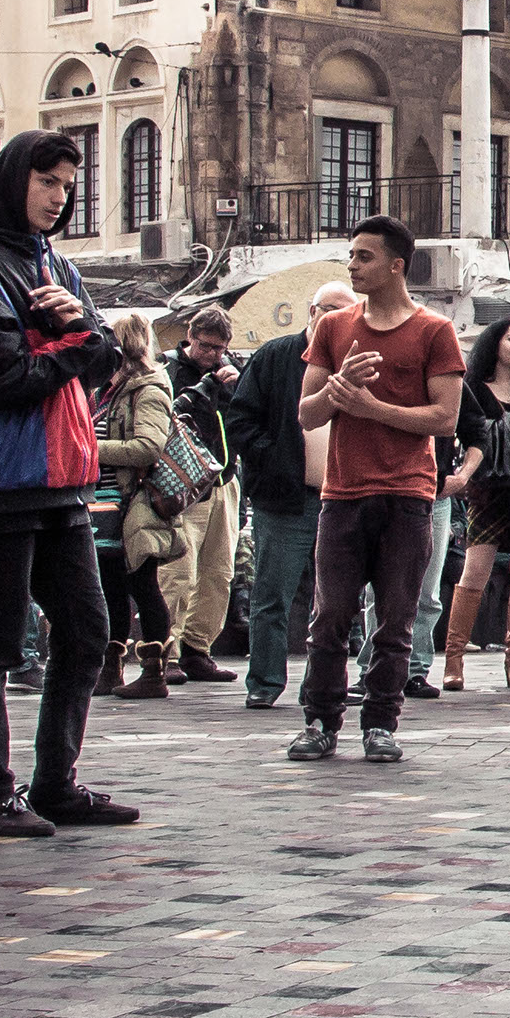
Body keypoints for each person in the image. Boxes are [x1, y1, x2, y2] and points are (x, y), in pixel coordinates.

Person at [0, 130, 140, 835]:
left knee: (86, 632)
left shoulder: (54, 262)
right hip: (1, 480)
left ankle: (54, 782)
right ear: (12, 181)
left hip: (62, 479)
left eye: (67, 185)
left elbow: (107, 358)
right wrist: (75, 341)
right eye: (46, 181)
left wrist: (79, 331)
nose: (58, 197)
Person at [291, 217, 467, 759]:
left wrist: (372, 408)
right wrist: (340, 387)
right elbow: (307, 414)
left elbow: (445, 418)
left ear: (396, 265)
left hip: (408, 494)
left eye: (364, 257)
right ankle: (320, 722)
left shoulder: (435, 330)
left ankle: (380, 724)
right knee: (330, 617)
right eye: (350, 255)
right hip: (342, 493)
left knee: (396, 618)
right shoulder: (333, 327)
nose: (352, 265)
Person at [229, 287, 343, 708]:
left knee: (336, 600)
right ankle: (265, 682)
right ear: (313, 311)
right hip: (284, 499)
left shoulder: (354, 362)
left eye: (348, 313)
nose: (339, 320)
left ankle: (324, 683)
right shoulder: (276, 356)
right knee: (272, 595)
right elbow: (240, 420)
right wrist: (274, 458)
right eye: (331, 311)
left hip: (341, 498)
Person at [441, 319, 510, 689]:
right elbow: (464, 433)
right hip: (487, 489)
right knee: (475, 570)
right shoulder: (473, 388)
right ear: (494, 344)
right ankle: (453, 659)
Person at [90, 312, 185, 703]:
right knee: (111, 585)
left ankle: (153, 672)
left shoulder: (147, 389)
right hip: (105, 506)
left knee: (142, 585)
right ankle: (110, 666)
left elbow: (147, 447)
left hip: (136, 503)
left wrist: (88, 449)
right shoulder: (108, 390)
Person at [158, 305, 242, 684]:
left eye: (218, 348)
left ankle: (198, 647)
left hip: (224, 478)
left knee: (219, 572)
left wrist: (236, 385)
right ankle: (165, 651)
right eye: (205, 346)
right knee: (177, 572)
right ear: (189, 337)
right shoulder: (169, 369)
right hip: (184, 482)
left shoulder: (231, 369)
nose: (211, 355)